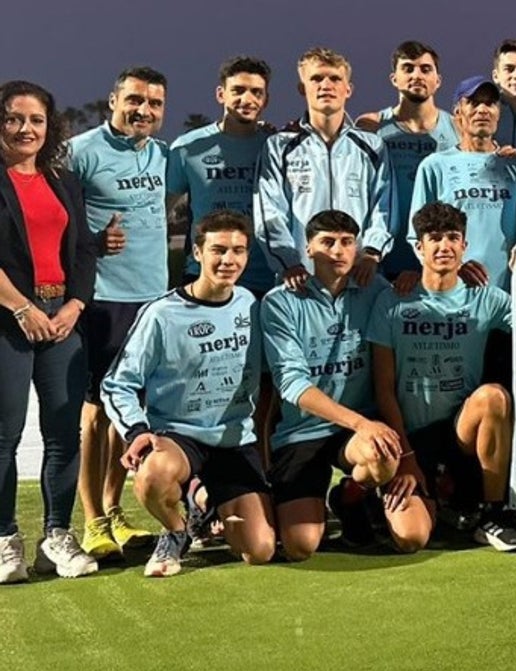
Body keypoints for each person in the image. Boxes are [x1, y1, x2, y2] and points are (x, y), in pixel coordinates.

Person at [102, 210, 275, 577]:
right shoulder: (162, 314)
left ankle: (203, 504)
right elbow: (117, 383)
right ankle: (175, 531)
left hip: (233, 440)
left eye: (238, 251)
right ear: (197, 252)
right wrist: (136, 431)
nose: (228, 260)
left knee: (259, 549)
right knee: (153, 475)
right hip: (179, 439)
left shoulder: (252, 305)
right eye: (218, 250)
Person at [367, 201, 516, 552]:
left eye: (453, 238)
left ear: (465, 246)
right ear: (418, 247)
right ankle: (366, 500)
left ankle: (493, 516)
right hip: (410, 439)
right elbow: (383, 391)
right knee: (411, 538)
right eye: (435, 238)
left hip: (461, 431)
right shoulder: (392, 302)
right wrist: (407, 457)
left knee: (493, 397)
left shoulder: (488, 298)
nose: (444, 247)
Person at [260, 210, 403, 557]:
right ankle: (304, 500)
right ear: (308, 249)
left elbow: (421, 298)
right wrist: (360, 422)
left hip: (353, 431)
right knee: (301, 545)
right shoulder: (280, 302)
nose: (338, 251)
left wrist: (414, 276)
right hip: (302, 431)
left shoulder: (377, 290)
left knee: (381, 455)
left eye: (346, 242)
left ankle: (351, 497)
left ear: (357, 248)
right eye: (327, 242)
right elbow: (291, 384)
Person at [68, 66, 167, 559]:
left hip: (154, 298)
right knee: (96, 412)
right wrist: (91, 243)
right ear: (113, 100)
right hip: (104, 298)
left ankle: (115, 510)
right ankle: (91, 520)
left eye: (153, 104)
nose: (143, 111)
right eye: (134, 100)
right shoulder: (81, 151)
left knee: (127, 411)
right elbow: (53, 221)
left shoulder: (162, 154)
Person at [0, 81, 97, 582]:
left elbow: (83, 250)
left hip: (62, 318)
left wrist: (74, 306)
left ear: (49, 125)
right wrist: (21, 308)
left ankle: (56, 536)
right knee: (4, 435)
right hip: (7, 319)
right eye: (14, 118)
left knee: (63, 432)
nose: (25, 129)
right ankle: (4, 540)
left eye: (36, 120)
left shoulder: (62, 180)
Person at [254, 47, 392, 292]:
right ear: (302, 88)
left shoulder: (371, 146)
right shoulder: (279, 146)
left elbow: (385, 206)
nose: (325, 85)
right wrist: (288, 262)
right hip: (300, 278)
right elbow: (269, 213)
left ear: (348, 89)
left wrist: (372, 253)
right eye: (316, 78)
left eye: (335, 78)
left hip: (359, 277)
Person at [407, 77, 516, 291]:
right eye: (474, 103)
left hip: (509, 291)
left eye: (490, 103)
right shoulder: (435, 166)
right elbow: (416, 235)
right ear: (458, 112)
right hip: (454, 291)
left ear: (498, 112)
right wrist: (454, 266)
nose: (483, 110)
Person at [166, 56, 276, 296]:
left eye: (256, 92)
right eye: (238, 90)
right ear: (221, 94)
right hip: (203, 275)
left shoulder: (275, 147)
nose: (247, 99)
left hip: (264, 278)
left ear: (265, 99)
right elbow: (161, 212)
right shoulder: (187, 148)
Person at [356, 41, 458, 278]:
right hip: (379, 258)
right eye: (408, 68)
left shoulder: (457, 127)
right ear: (394, 78)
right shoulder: (371, 126)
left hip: (437, 258)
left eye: (425, 69)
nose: (417, 75)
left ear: (438, 80)